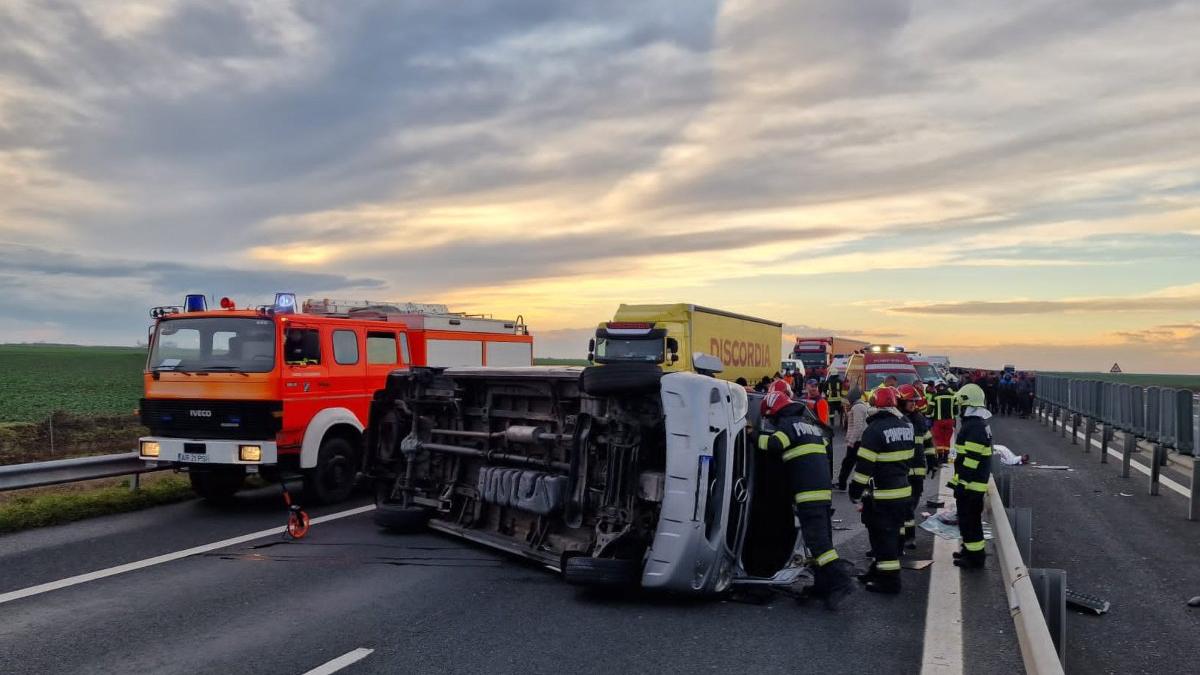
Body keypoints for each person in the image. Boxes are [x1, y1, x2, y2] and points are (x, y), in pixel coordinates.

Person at [757, 391, 856, 609]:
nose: (771, 422)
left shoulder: (788, 426)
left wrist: (753, 434)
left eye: (770, 418)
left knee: (818, 544)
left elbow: (773, 445)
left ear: (775, 412)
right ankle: (822, 587)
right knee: (819, 542)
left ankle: (841, 582)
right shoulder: (808, 425)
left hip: (808, 494)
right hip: (820, 492)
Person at [848, 386, 915, 594]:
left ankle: (889, 582)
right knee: (885, 535)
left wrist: (854, 491)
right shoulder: (905, 426)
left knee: (883, 537)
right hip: (902, 491)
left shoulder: (874, 430)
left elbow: (864, 468)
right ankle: (876, 571)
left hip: (882, 495)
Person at [950, 383, 993, 569]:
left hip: (972, 486)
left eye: (961, 406)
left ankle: (975, 558)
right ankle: (969, 550)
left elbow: (971, 460)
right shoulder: (977, 424)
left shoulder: (974, 427)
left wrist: (962, 483)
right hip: (972, 483)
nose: (959, 410)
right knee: (967, 521)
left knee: (971, 522)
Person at [897, 384, 937, 549]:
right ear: (900, 402)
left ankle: (906, 537)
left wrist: (933, 461)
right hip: (902, 470)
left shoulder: (919, 419)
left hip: (917, 471)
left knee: (910, 505)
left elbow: (927, 440)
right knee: (904, 507)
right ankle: (905, 538)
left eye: (915, 401)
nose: (913, 404)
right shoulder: (896, 419)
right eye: (910, 401)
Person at [835, 388, 869, 491]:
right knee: (860, 464)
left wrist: (851, 441)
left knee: (847, 463)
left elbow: (857, 427)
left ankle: (842, 484)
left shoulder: (857, 407)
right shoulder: (859, 406)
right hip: (860, 440)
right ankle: (864, 485)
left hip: (857, 441)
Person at [929, 383, 958, 466]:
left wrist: (928, 417)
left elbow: (930, 410)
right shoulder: (953, 397)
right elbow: (956, 411)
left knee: (939, 439)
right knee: (947, 439)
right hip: (949, 421)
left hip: (938, 421)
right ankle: (946, 456)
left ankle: (940, 457)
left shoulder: (935, 396)